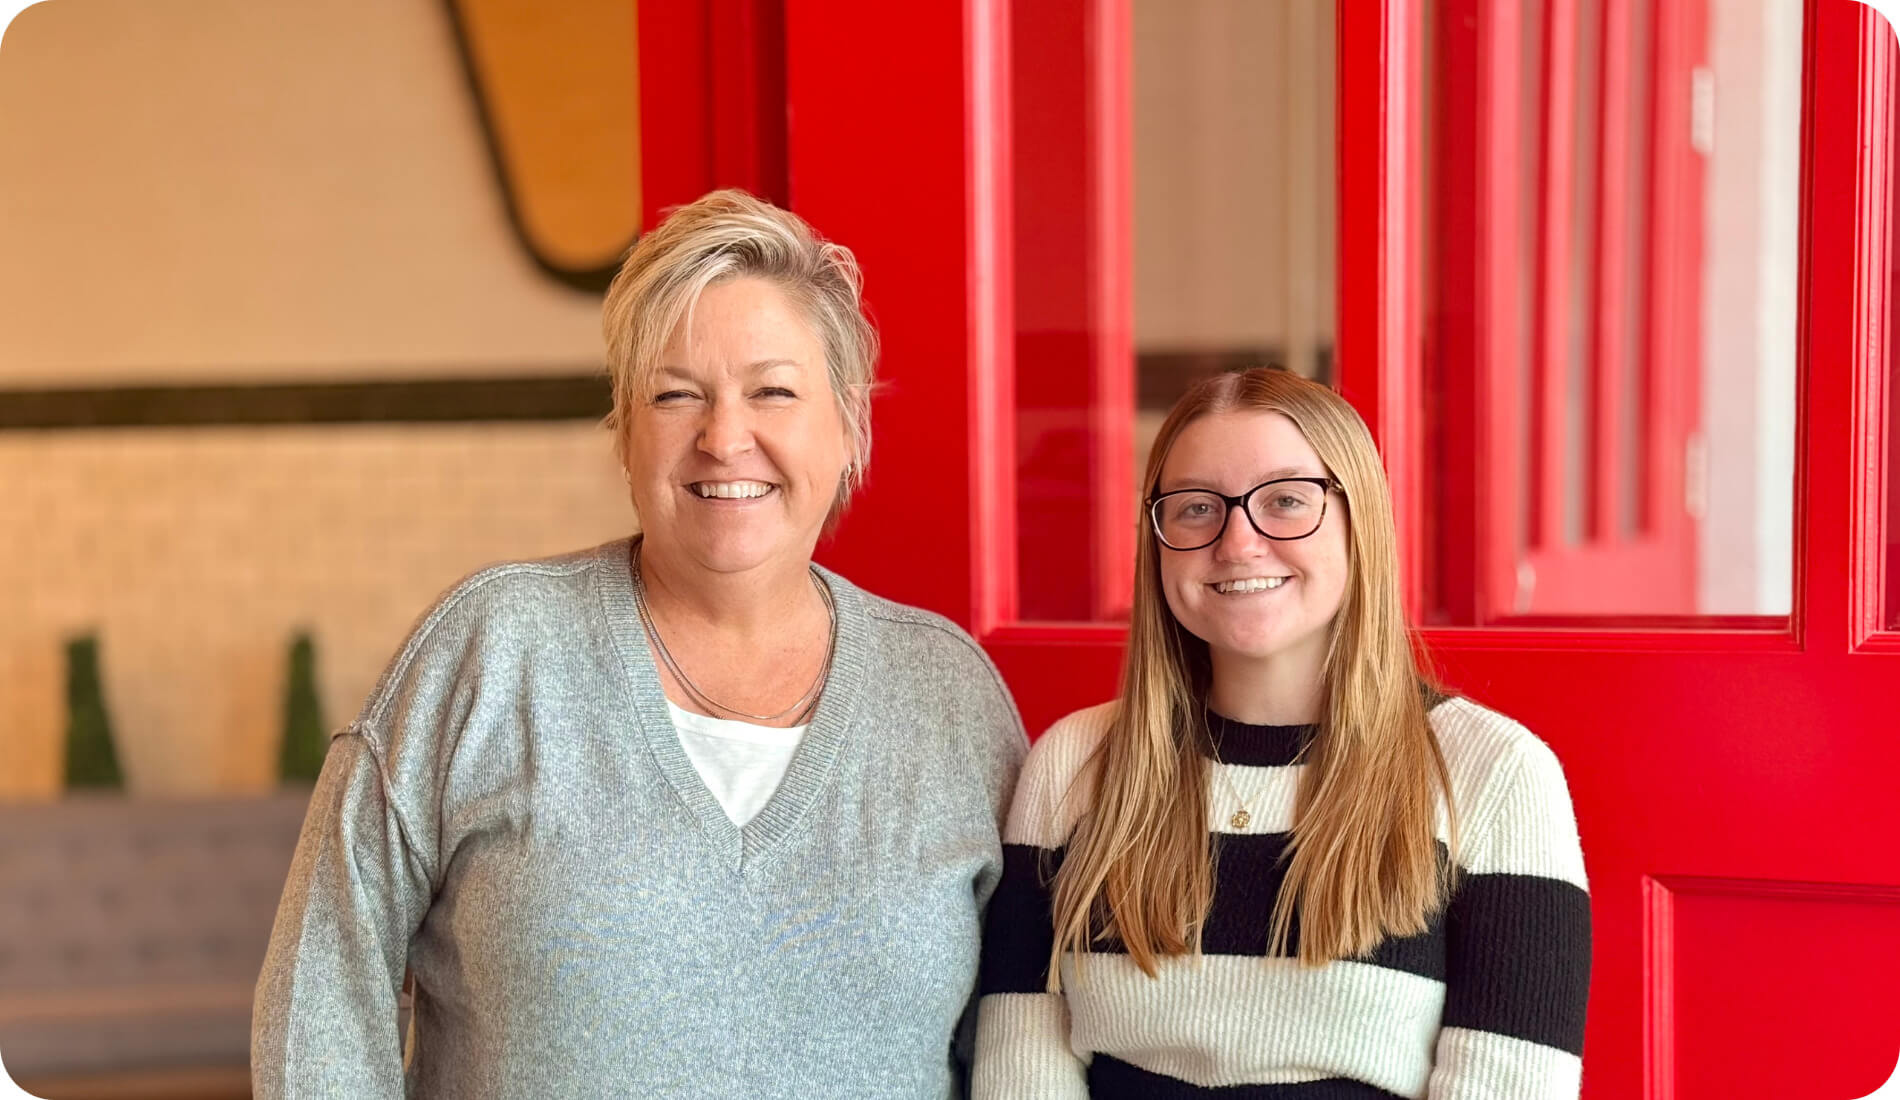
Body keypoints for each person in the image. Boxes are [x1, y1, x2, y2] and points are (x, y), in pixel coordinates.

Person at [252, 190, 1027, 1098]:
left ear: (850, 424)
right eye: (675, 394)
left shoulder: (947, 696)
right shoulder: (492, 651)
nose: (724, 438)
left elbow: (1020, 1044)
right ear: (625, 430)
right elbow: (323, 991)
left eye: (773, 392)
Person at [972, 368, 1590, 1098]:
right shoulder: (1074, 764)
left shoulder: (1495, 771)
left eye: (1287, 500)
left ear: (1360, 521)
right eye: (1197, 508)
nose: (1238, 543)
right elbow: (1020, 1069)